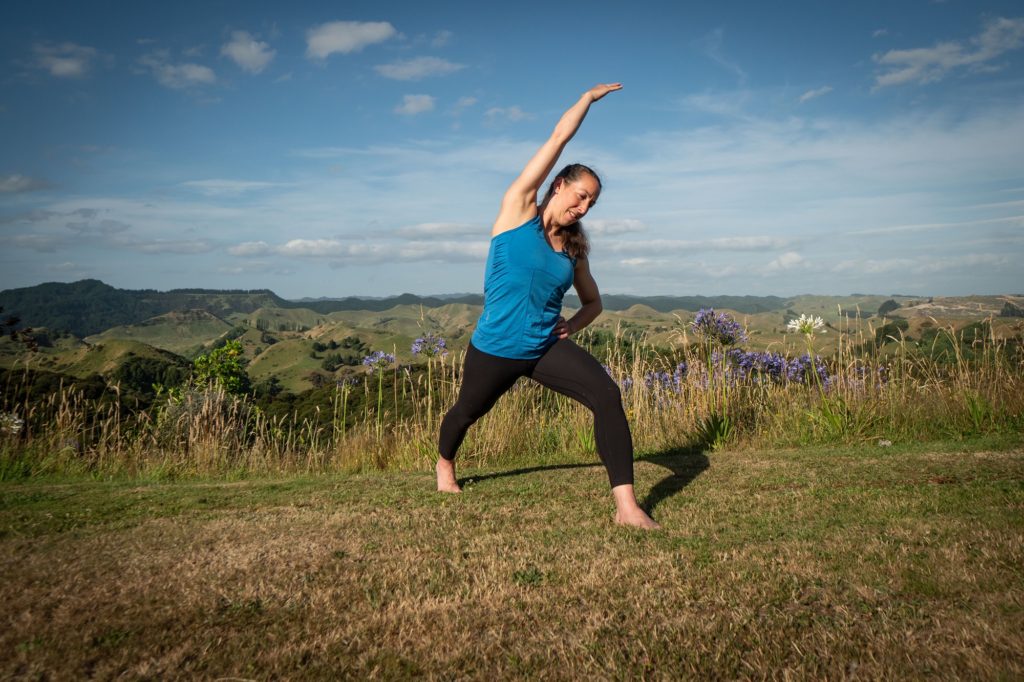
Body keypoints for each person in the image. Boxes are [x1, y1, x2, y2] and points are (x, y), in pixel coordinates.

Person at [436, 83, 659, 530]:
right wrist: (586, 101)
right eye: (580, 195)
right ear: (558, 185)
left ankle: (627, 508)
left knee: (607, 395)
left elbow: (594, 302)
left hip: (543, 347)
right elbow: (558, 139)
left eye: (592, 202)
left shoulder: (574, 251)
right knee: (467, 412)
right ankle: (444, 464)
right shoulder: (516, 212)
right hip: (495, 347)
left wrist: (571, 327)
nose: (584, 206)